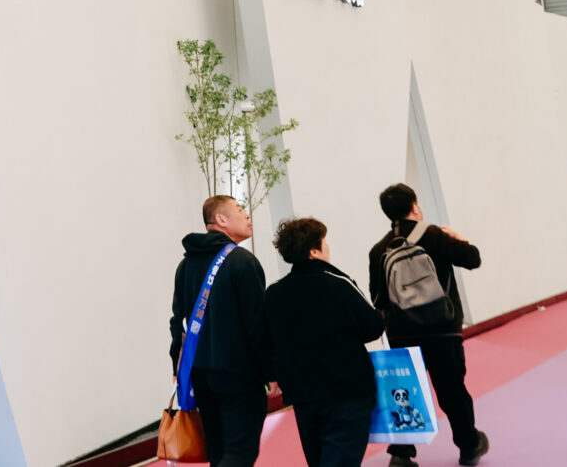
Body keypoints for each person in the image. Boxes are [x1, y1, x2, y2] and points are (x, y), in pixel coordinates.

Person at [368, 184, 488, 467]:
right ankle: (469, 446)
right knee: (452, 390)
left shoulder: (379, 250)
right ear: (415, 206)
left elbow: (377, 298)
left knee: (404, 392)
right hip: (442, 329)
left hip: (401, 333)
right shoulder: (435, 235)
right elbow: (473, 259)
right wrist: (459, 238)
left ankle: (401, 454)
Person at [264, 217, 384, 467]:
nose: (328, 246)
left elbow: (266, 341)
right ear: (314, 251)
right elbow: (373, 326)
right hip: (347, 389)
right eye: (324, 242)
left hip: (303, 395)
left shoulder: (274, 293)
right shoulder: (338, 283)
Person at [168, 195, 271, 467]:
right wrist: (271, 372)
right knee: (239, 452)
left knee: (218, 452)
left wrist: (178, 365)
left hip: (201, 376)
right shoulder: (242, 261)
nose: (247, 215)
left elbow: (178, 321)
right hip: (239, 375)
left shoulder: (185, 265)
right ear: (221, 219)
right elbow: (257, 324)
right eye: (240, 209)